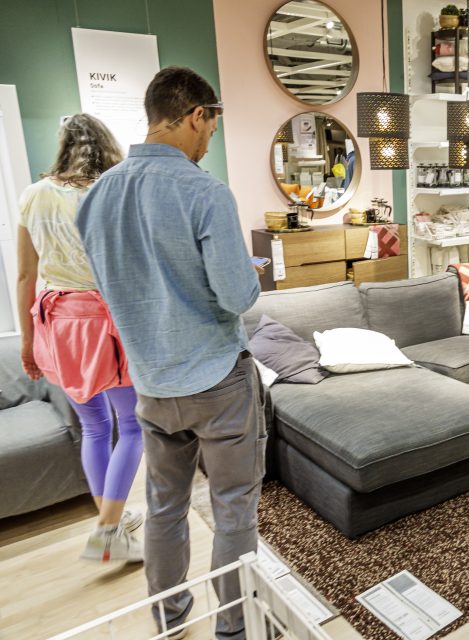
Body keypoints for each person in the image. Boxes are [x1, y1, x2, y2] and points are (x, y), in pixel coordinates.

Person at [76, 67, 262, 640]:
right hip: (217, 380)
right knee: (233, 509)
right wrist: (249, 278)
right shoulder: (204, 191)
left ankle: (170, 621)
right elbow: (237, 295)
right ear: (195, 115)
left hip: (152, 383)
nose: (211, 141)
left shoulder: (96, 195)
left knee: (164, 508)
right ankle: (234, 628)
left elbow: (112, 286)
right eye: (212, 125)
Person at [16, 114, 144, 563]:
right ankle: (110, 528)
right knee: (131, 426)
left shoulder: (33, 196)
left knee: (95, 426)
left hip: (59, 323)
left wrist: (28, 341)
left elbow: (25, 276)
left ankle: (110, 524)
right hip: (106, 322)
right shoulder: (112, 192)